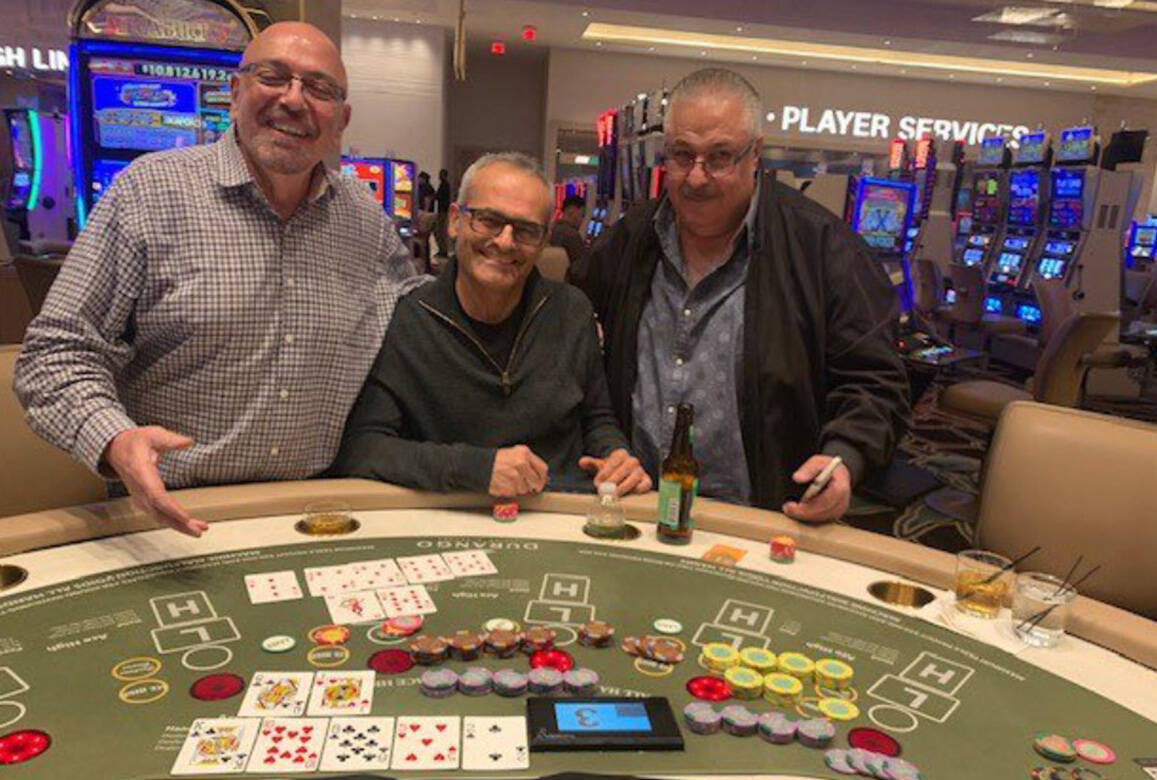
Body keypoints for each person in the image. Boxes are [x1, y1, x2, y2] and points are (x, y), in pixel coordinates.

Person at [13, 22, 415, 536]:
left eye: (319, 89)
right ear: (235, 92)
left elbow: (422, 328)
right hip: (173, 510)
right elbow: (55, 354)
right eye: (273, 77)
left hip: (317, 507)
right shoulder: (149, 192)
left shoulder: (363, 216)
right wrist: (114, 439)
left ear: (342, 119)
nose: (294, 100)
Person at [574, 68, 909, 523]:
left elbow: (875, 381)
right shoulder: (631, 238)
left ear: (755, 154)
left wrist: (843, 458)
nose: (696, 177)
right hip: (639, 507)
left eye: (719, 157)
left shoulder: (825, 248)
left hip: (762, 517)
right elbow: (565, 331)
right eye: (682, 155)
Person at [331, 153, 651, 498]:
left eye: (526, 230)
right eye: (488, 220)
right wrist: (477, 469)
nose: (504, 241)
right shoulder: (407, 318)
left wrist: (616, 455)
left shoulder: (572, 311)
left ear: (544, 241)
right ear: (455, 220)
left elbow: (597, 419)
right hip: (451, 513)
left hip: (558, 512)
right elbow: (364, 448)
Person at [550, 194, 588, 265]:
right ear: (572, 212)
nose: (582, 220)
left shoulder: (552, 228)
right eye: (582, 215)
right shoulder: (572, 235)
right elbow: (583, 266)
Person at [434, 168, 452, 256]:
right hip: (443, 210)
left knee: (440, 231)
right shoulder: (445, 185)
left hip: (442, 211)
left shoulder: (444, 185)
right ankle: (442, 250)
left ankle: (443, 250)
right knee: (441, 231)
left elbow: (439, 196)